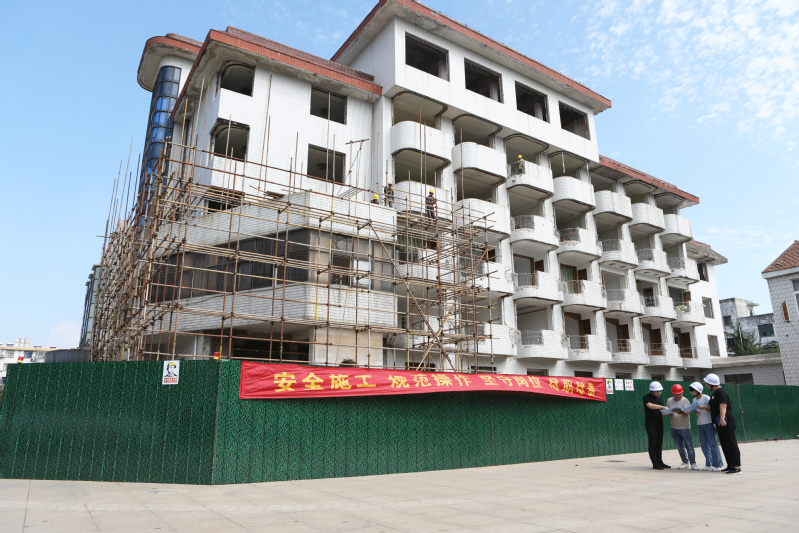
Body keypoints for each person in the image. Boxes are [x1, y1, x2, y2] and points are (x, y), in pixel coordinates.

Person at [705, 373, 742, 474]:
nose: (706, 385)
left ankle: (736, 467)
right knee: (725, 444)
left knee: (731, 444)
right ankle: (730, 465)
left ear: (711, 383)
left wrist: (722, 419)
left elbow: (723, 405)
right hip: (720, 423)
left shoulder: (721, 392)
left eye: (707, 383)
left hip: (726, 421)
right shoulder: (715, 393)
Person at [688, 382, 724, 471]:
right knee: (704, 445)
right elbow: (697, 411)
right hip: (700, 424)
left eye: (693, 391)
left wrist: (704, 408)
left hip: (709, 423)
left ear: (698, 390)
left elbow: (713, 410)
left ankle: (718, 465)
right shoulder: (694, 400)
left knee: (713, 444)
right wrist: (695, 412)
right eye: (691, 391)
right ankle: (709, 464)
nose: (692, 392)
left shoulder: (706, 397)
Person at [666, 384, 698, 470]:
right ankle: (684, 462)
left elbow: (686, 413)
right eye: (675, 394)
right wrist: (666, 412)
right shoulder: (669, 400)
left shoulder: (685, 400)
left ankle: (693, 463)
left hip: (685, 428)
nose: (677, 396)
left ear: (682, 393)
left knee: (689, 446)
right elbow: (670, 414)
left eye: (679, 394)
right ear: (672, 393)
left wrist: (678, 411)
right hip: (674, 427)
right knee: (680, 447)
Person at [643, 382, 671, 470]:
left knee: (659, 444)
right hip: (651, 424)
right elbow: (650, 405)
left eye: (660, 391)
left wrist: (664, 412)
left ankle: (660, 462)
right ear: (652, 391)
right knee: (653, 444)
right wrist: (662, 407)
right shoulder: (646, 397)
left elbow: (660, 410)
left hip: (659, 423)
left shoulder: (660, 399)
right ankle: (655, 463)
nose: (659, 393)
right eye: (657, 391)